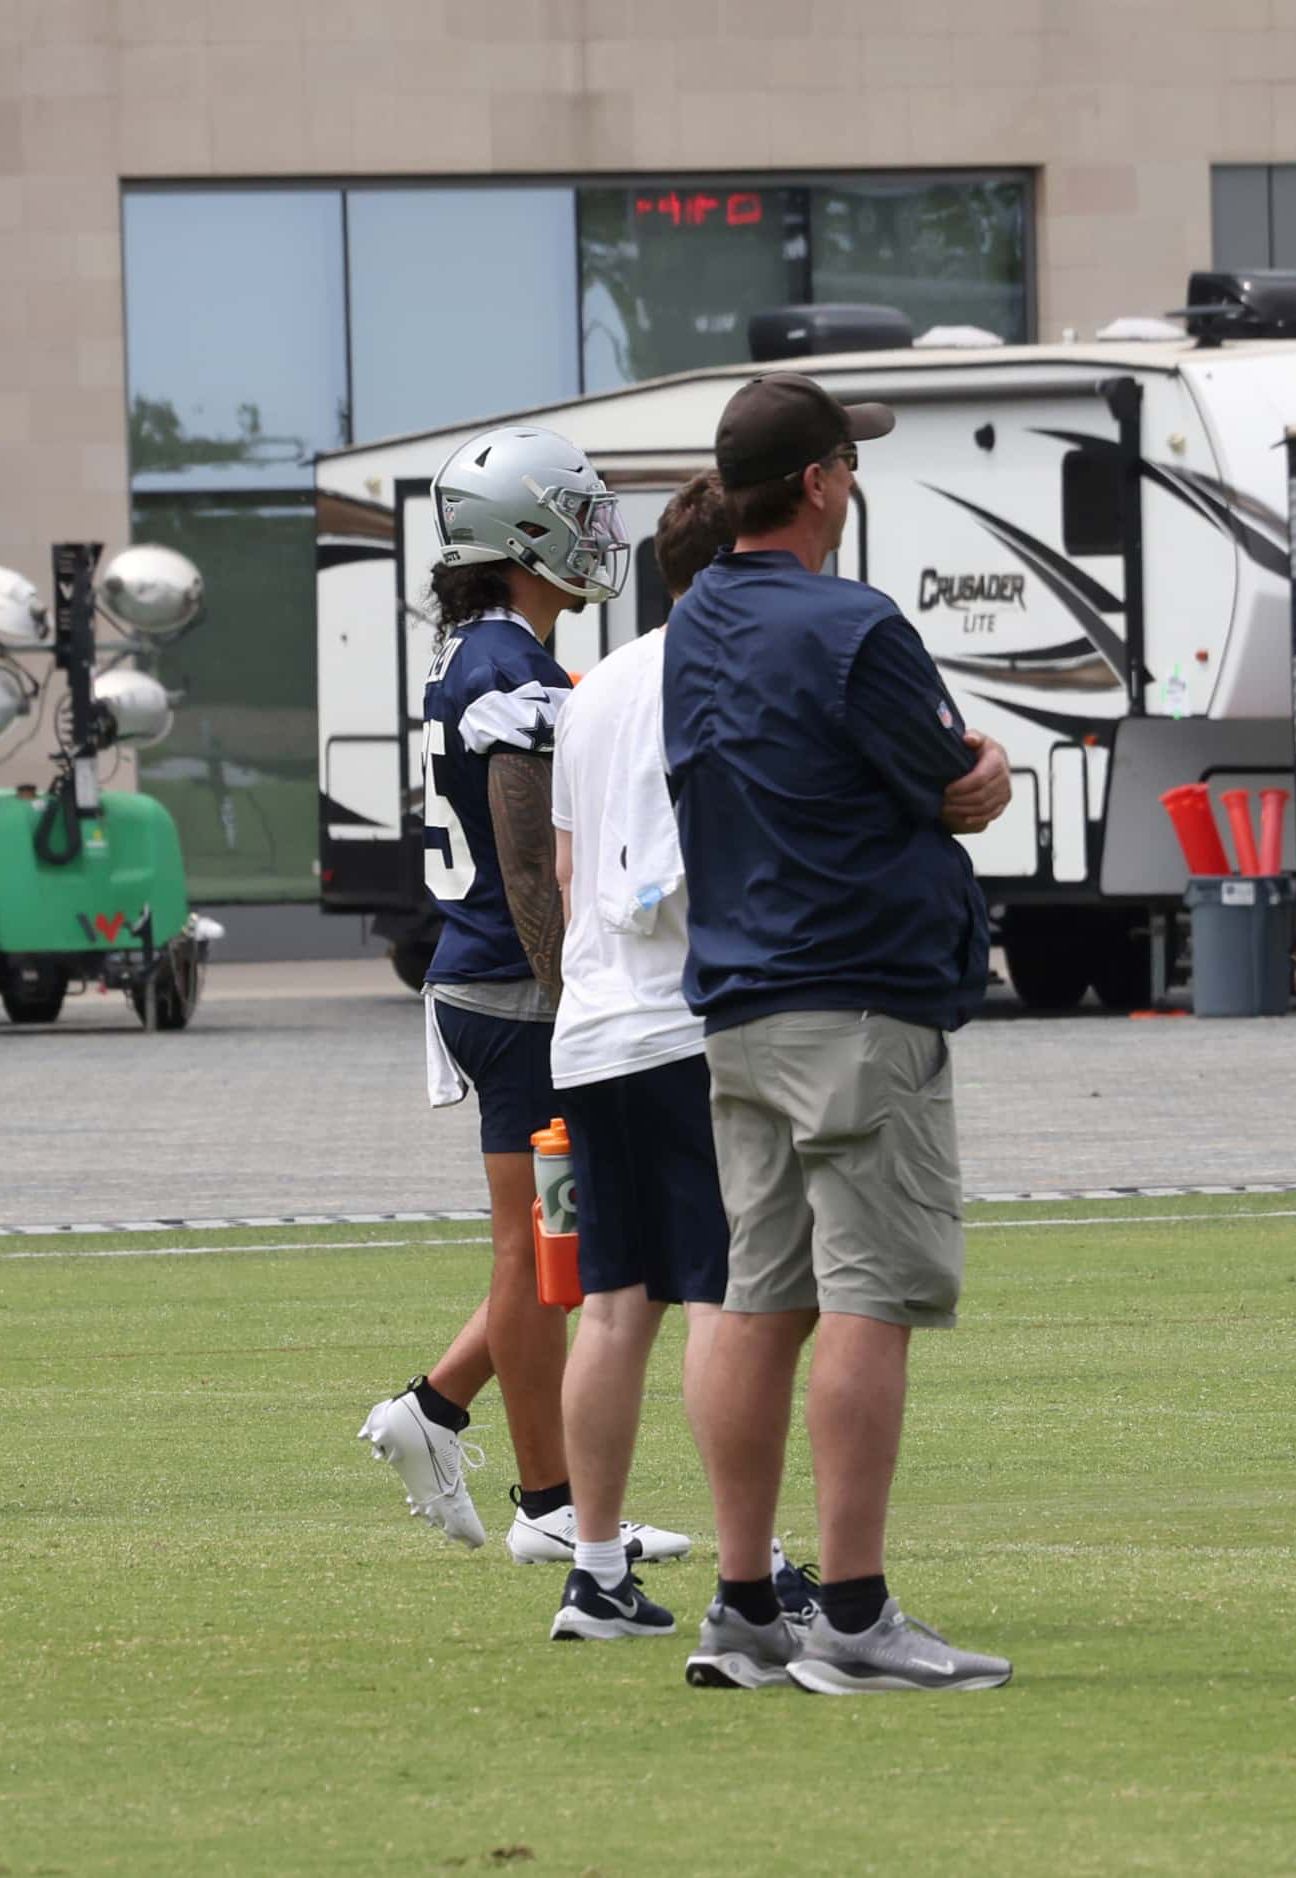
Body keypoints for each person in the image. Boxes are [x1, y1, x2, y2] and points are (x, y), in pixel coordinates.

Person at [669, 371, 1018, 1693]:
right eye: (847, 466)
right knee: (870, 1294)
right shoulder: (852, 622)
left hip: (739, 1005)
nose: (855, 483)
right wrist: (976, 775)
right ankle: (856, 1614)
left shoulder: (695, 617)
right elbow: (951, 778)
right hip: (858, 997)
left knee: (758, 1300)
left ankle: (746, 1602)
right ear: (816, 481)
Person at [356, 426, 695, 1568]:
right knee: (542, 1249)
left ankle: (437, 1410)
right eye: (578, 514)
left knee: (562, 1240)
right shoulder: (506, 673)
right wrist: (571, 998)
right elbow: (524, 859)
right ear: (525, 534)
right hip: (514, 990)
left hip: (497, 983)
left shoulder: (498, 659)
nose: (598, 536)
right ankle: (550, 1500)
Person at [538, 474, 811, 1641]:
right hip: (689, 1020)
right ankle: (756, 1563)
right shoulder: (723, 667)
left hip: (592, 1028)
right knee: (726, 1298)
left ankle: (593, 1570)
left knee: (611, 1306)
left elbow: (562, 873)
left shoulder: (591, 688)